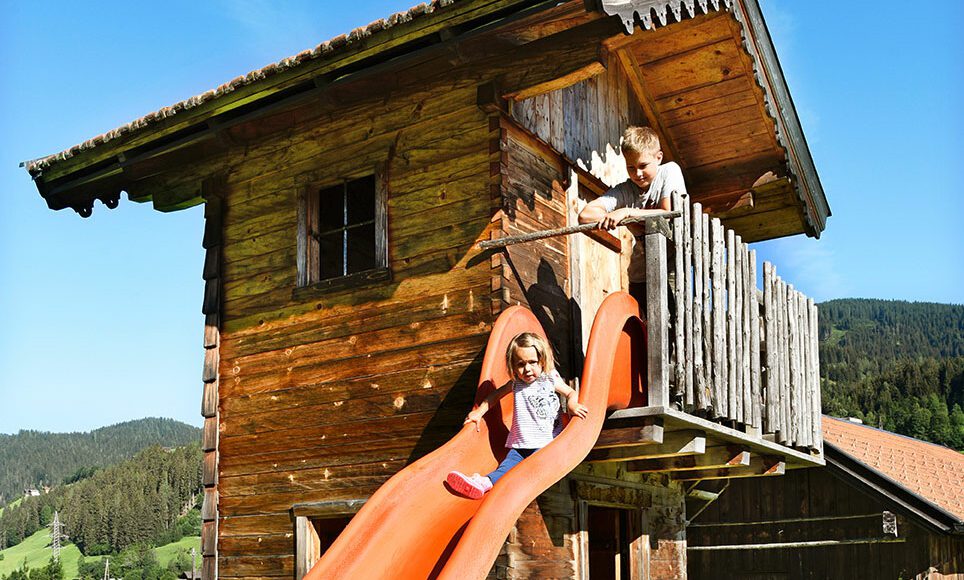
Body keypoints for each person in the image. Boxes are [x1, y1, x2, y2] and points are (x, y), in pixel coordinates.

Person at [447, 332, 589, 499]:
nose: (527, 369)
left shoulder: (549, 378)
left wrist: (572, 405)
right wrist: (479, 412)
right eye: (520, 364)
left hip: (546, 444)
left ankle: (495, 486)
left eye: (532, 362)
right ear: (513, 366)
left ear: (542, 360)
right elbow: (494, 396)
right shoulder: (515, 384)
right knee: (505, 469)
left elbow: (570, 392)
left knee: (527, 472)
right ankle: (483, 483)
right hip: (521, 444)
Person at [577, 126, 687, 307]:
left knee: (672, 323)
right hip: (640, 273)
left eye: (643, 166)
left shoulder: (669, 172)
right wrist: (611, 217)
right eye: (631, 167)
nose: (638, 173)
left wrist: (627, 213)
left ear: (658, 157)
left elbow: (668, 213)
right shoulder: (626, 190)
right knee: (642, 326)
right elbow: (586, 215)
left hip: (670, 268)